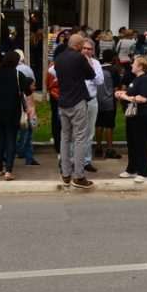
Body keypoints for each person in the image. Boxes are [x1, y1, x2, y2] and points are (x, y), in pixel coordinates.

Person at [55, 33, 96, 189]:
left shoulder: (58, 58)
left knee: (65, 137)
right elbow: (91, 75)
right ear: (78, 45)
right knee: (80, 138)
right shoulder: (79, 58)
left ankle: (65, 174)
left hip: (63, 101)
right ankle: (79, 176)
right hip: (77, 101)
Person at [0, 51, 34, 180]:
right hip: (13, 111)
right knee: (11, 139)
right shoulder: (18, 75)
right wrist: (30, 108)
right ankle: (8, 170)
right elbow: (28, 91)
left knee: (1, 139)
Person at [117, 55, 147, 183]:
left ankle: (145, 172)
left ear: (140, 66)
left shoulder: (146, 79)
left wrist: (126, 98)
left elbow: (142, 98)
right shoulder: (136, 79)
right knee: (132, 142)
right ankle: (132, 168)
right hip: (133, 114)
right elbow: (132, 93)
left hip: (142, 115)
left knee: (140, 142)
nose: (131, 65)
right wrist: (122, 94)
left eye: (134, 63)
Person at [78, 38, 104, 173]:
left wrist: (90, 68)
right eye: (84, 48)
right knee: (75, 132)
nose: (87, 51)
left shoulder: (96, 63)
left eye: (89, 49)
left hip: (91, 101)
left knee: (89, 132)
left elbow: (99, 81)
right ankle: (73, 160)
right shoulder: (74, 61)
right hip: (77, 101)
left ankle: (87, 161)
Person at [96, 51, 121, 160]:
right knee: (109, 125)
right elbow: (116, 87)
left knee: (98, 124)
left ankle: (98, 146)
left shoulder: (97, 68)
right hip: (109, 100)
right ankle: (109, 148)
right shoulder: (114, 70)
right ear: (113, 58)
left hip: (97, 100)